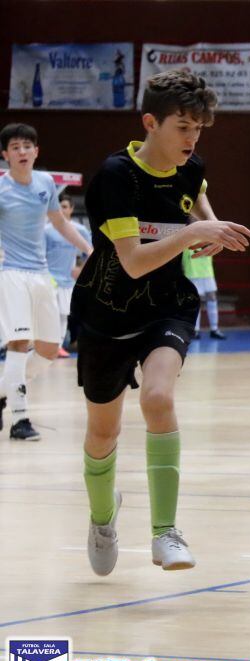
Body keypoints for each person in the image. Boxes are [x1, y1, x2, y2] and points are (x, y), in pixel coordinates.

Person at [72, 70, 250, 576]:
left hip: (167, 304)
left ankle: (164, 532)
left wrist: (211, 232)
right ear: (150, 122)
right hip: (107, 310)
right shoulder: (115, 176)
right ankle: (103, 517)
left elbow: (198, 206)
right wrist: (196, 230)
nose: (192, 138)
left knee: (158, 398)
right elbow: (131, 261)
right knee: (102, 434)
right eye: (182, 126)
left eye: (199, 127)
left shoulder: (191, 167)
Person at [0, 122, 94, 440]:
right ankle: (19, 419)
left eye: (27, 146)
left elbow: (60, 223)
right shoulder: (1, 190)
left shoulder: (45, 183)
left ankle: (3, 390)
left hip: (42, 276)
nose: (22, 151)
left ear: (36, 151)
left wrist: (89, 249)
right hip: (11, 274)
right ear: (6, 155)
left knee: (50, 350)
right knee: (18, 343)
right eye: (15, 147)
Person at [44, 192, 92, 356]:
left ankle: (57, 347)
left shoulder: (79, 230)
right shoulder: (46, 230)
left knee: (64, 314)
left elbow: (91, 252)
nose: (62, 210)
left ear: (71, 209)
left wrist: (81, 269)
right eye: (59, 207)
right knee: (50, 314)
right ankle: (49, 346)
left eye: (64, 207)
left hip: (67, 281)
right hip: (48, 279)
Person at [182, 248, 225, 339]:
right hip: (192, 274)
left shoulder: (209, 238)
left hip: (208, 274)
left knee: (212, 300)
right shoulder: (186, 240)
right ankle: (195, 330)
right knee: (196, 303)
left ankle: (214, 329)